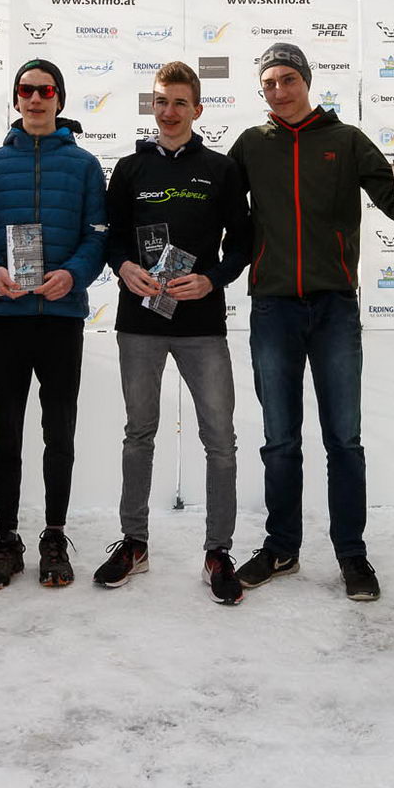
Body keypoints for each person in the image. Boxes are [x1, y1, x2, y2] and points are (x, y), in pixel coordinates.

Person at [229, 43, 394, 601]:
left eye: (287, 80)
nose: (279, 91)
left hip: (333, 306)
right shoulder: (253, 145)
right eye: (269, 84)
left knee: (343, 440)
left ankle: (352, 555)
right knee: (280, 439)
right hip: (273, 307)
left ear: (306, 81)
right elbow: (214, 202)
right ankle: (281, 546)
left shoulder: (344, 140)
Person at [94, 61, 251, 604]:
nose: (169, 111)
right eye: (161, 101)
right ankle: (133, 542)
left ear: (197, 109)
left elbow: (244, 245)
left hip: (202, 326)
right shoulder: (130, 169)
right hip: (140, 322)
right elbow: (111, 240)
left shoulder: (221, 169)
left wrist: (211, 280)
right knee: (140, 433)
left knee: (220, 442)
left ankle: (218, 551)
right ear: (152, 106)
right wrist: (123, 267)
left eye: (180, 102)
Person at [0, 57, 107, 591]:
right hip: (5, 318)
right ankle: (6, 541)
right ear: (16, 99)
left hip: (61, 317)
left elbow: (97, 238)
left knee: (58, 432)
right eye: (27, 90)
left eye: (46, 90)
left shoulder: (85, 166)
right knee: (6, 433)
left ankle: (54, 537)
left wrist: (73, 274)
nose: (36, 98)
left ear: (59, 99)